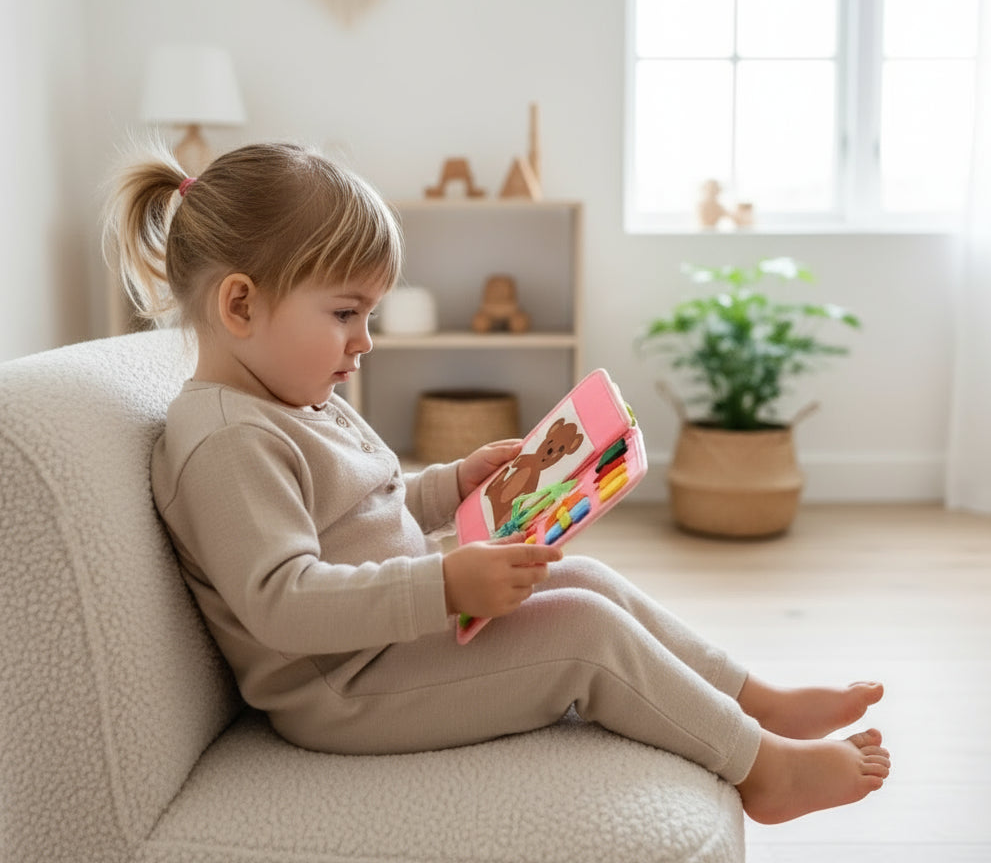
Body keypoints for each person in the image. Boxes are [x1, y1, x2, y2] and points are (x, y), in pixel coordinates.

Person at [105, 141, 890, 825]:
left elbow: (363, 512)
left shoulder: (288, 399)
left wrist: (451, 487)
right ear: (240, 304)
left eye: (369, 314)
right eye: (346, 312)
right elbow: (284, 602)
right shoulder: (227, 439)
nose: (365, 340)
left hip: (384, 647)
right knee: (582, 632)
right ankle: (766, 772)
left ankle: (755, 698)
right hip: (342, 690)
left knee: (581, 575)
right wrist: (443, 584)